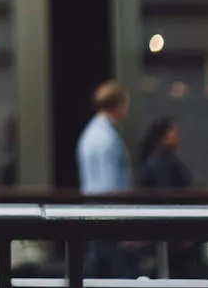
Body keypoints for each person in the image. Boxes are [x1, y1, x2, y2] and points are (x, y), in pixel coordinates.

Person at [76, 80, 134, 277]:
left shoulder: (89, 134)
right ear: (118, 105)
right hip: (108, 216)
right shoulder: (107, 139)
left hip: (93, 211)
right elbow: (110, 185)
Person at [138, 117, 198, 276]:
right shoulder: (160, 163)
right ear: (163, 136)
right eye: (173, 132)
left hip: (172, 231)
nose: (177, 135)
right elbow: (167, 195)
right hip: (170, 231)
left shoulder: (167, 160)